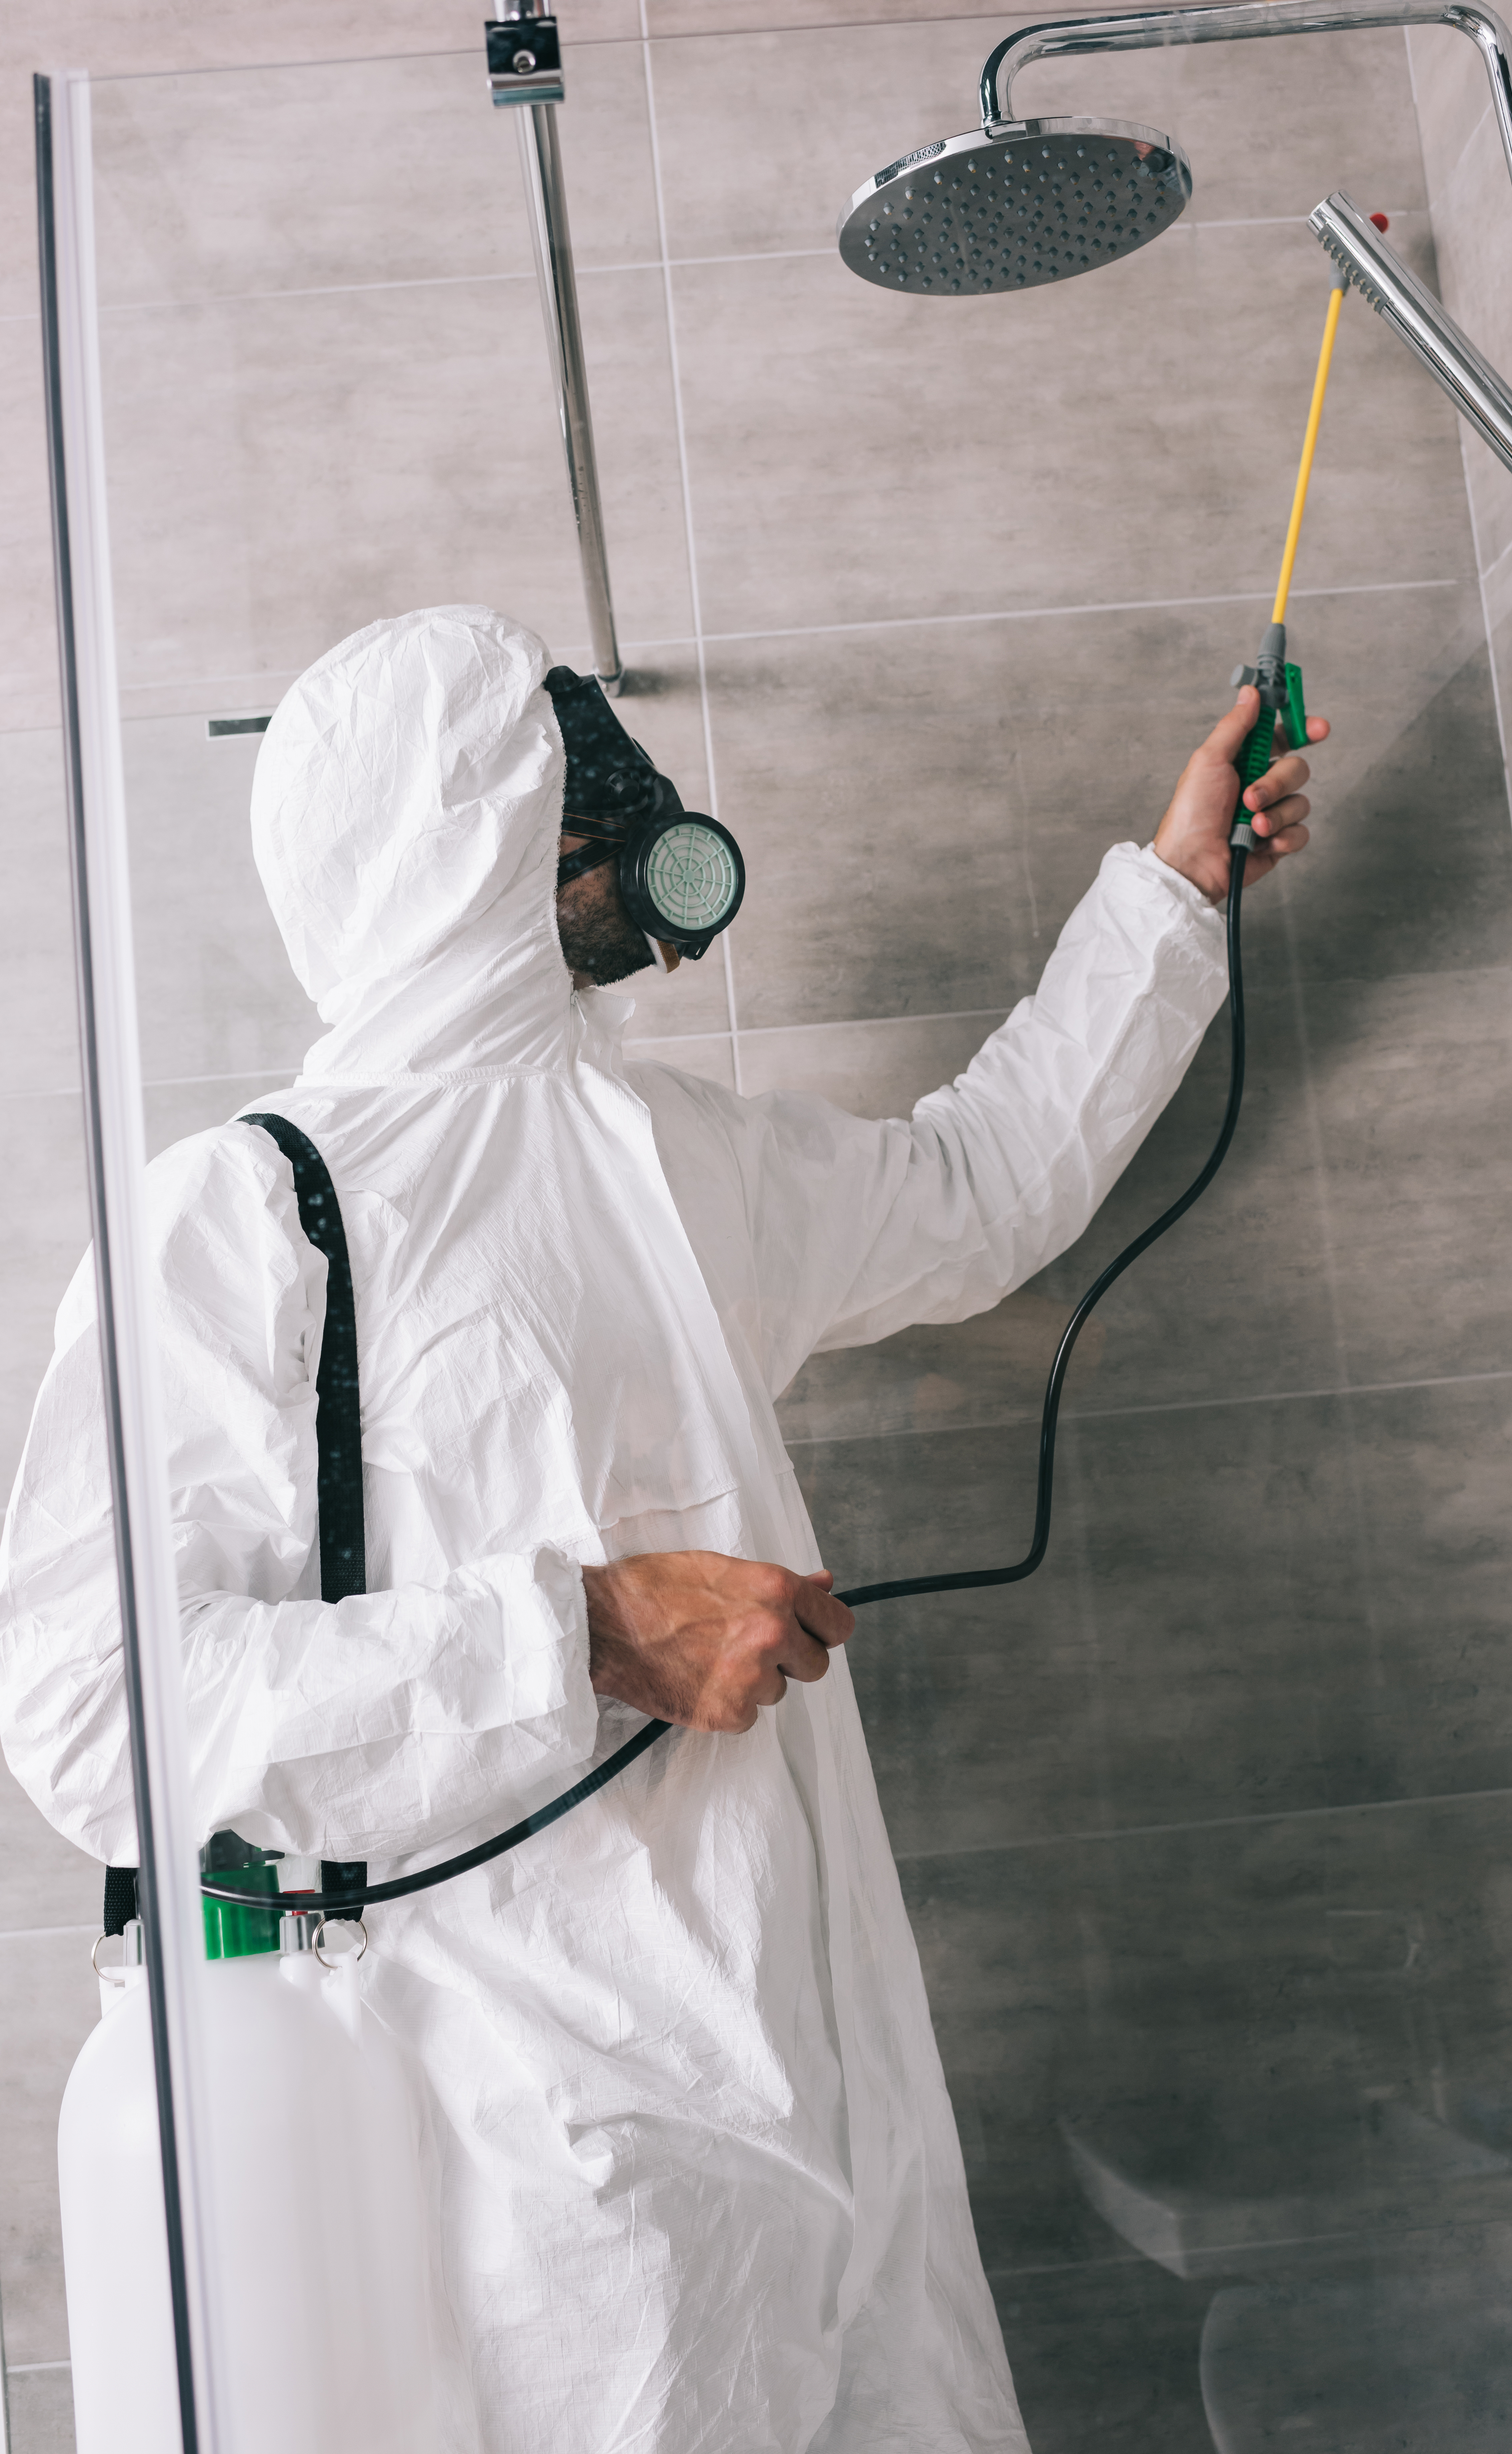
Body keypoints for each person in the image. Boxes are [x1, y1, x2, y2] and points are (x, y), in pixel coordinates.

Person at [0, 605, 1323, 2453]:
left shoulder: (666, 1153)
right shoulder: (243, 1215)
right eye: (564, 781)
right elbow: (93, 1704)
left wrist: (1172, 892)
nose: (624, 821)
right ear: (459, 842)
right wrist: (580, 1633)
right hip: (536, 2158)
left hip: (817, 2090)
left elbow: (978, 1184)